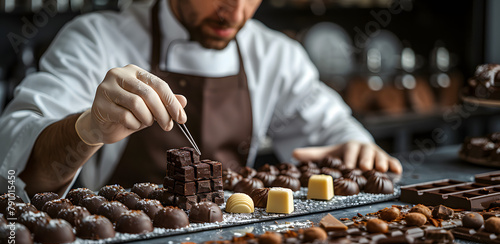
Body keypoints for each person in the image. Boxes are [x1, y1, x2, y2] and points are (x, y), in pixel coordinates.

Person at [0, 0, 402, 199]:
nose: (235, 12)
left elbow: (335, 127)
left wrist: (357, 145)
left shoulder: (273, 54)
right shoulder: (96, 39)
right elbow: (14, 170)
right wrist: (85, 129)